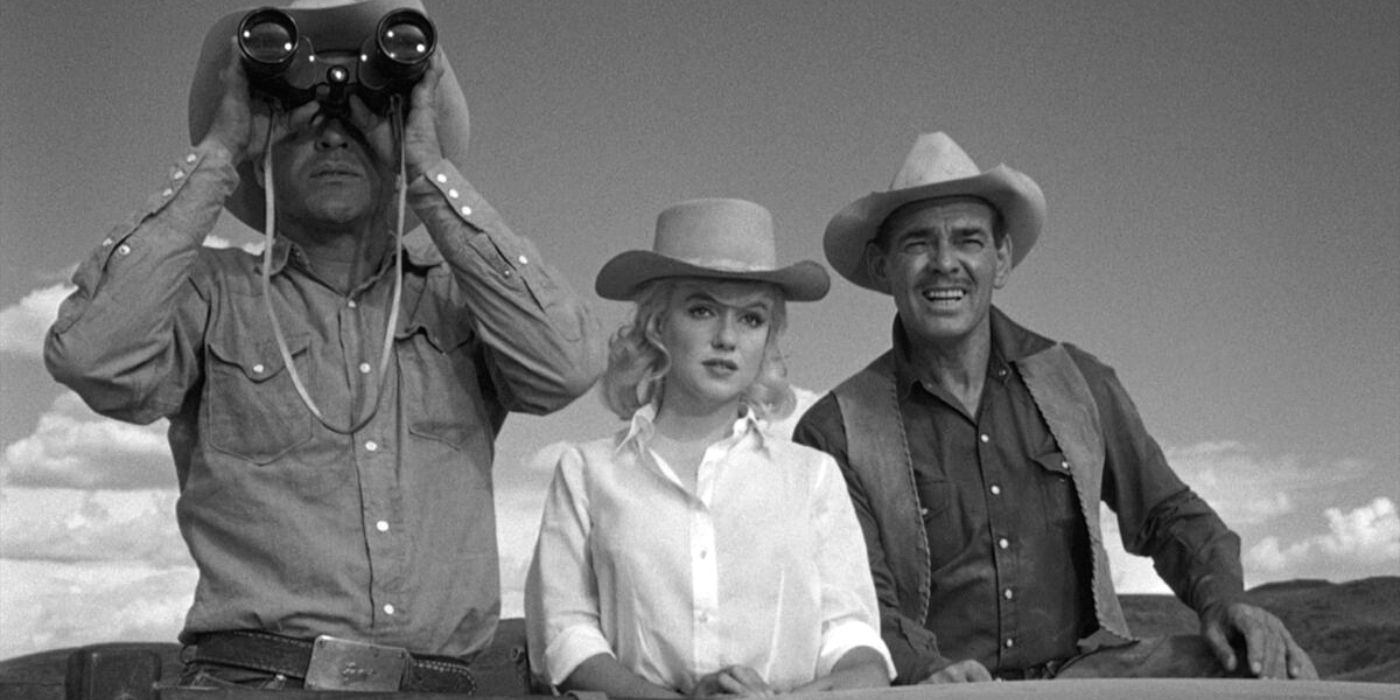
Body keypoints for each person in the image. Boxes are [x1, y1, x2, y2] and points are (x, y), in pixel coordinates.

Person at [44, 0, 604, 692]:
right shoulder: (211, 293)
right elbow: (92, 355)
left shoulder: (461, 297)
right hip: (254, 680)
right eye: (302, 123)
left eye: (360, 123)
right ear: (261, 157)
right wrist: (220, 150)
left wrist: (427, 167)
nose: (334, 137)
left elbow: (566, 366)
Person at [792, 132, 1317, 684]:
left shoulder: (1077, 381)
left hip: (1090, 676)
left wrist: (1227, 601)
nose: (944, 263)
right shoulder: (834, 432)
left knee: (1257, 664)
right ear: (881, 266)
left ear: (1001, 258)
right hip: (940, 690)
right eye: (918, 244)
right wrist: (931, 673)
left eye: (968, 240)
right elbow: (862, 602)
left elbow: (1167, 513)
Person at [524, 198, 895, 697]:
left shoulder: (812, 476)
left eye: (751, 319)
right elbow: (566, 636)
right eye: (702, 310)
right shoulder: (587, 471)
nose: (726, 338)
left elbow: (849, 635)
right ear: (658, 325)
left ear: (769, 338)